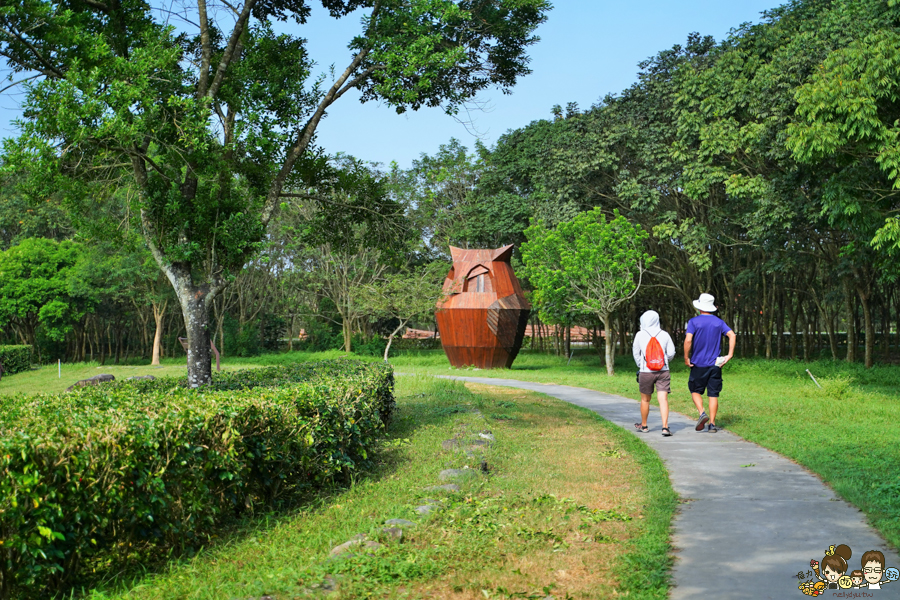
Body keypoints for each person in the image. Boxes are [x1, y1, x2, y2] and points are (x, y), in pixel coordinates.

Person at [683, 293, 736, 433]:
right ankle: (712, 424)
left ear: (700, 307)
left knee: (694, 390)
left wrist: (686, 358)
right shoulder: (719, 322)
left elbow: (688, 340)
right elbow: (732, 334)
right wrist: (729, 355)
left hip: (698, 364)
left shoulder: (694, 322)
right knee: (713, 394)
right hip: (715, 364)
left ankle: (702, 413)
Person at [632, 310, 676, 436]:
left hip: (646, 372)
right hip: (663, 371)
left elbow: (636, 353)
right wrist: (664, 361)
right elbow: (672, 352)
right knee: (663, 399)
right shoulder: (665, 334)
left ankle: (644, 425)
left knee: (645, 400)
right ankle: (665, 427)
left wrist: (642, 365)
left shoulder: (640, 335)